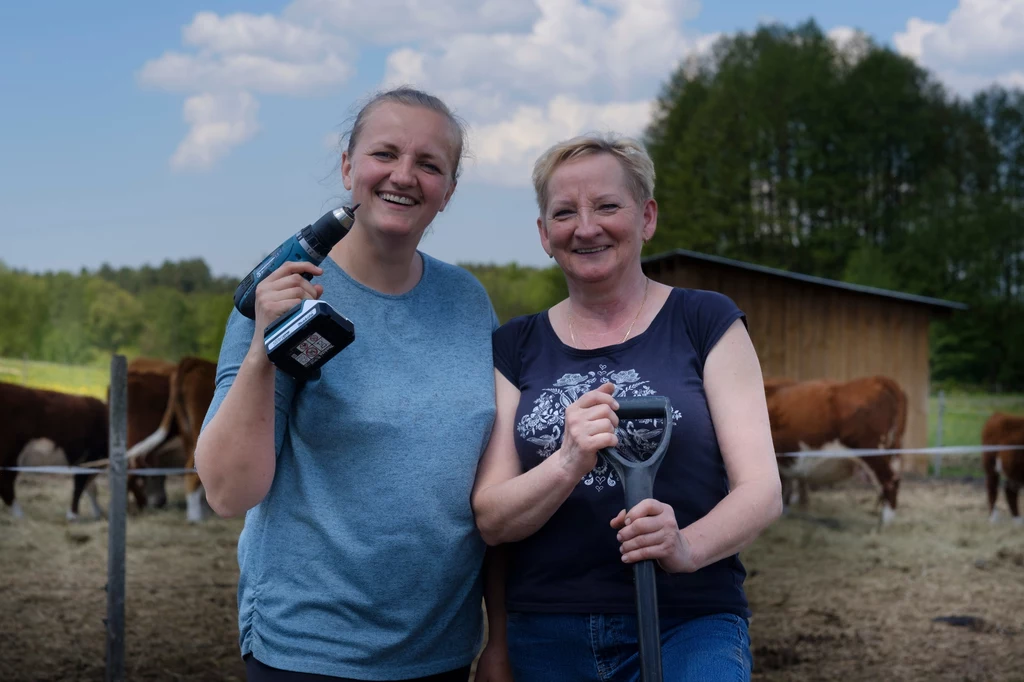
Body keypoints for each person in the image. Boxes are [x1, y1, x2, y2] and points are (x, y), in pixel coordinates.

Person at [195, 87, 508, 682]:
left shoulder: (468, 301)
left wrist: (500, 636)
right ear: (347, 166)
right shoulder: (283, 292)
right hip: (310, 650)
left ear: (448, 192)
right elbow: (227, 492)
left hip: (441, 650)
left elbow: (490, 483)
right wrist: (265, 347)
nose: (404, 176)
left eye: (429, 164)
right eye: (384, 154)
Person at [471, 133, 783, 681]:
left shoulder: (705, 321)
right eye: (564, 213)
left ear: (647, 217)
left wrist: (685, 545)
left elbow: (761, 489)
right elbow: (492, 518)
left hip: (688, 618)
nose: (586, 227)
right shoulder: (514, 346)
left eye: (608, 206)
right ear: (544, 235)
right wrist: (567, 461)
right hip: (549, 629)